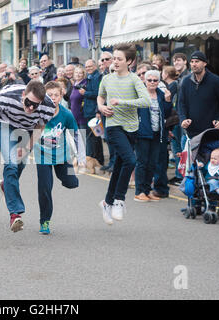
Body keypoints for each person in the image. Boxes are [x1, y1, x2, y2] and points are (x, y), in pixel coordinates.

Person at [0, 81, 56, 233]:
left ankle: (6, 185)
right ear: (23, 95)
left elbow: (40, 128)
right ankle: (15, 213)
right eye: (29, 103)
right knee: (11, 163)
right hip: (5, 124)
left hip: (28, 129)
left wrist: (26, 148)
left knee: (19, 165)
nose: (31, 108)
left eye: (35, 105)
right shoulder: (5, 96)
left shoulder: (48, 106)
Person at [97, 43, 151, 224]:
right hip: (113, 125)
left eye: (119, 59)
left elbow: (146, 101)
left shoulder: (134, 79)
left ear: (129, 61)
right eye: (114, 58)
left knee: (120, 166)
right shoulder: (107, 79)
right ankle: (119, 200)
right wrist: (101, 107)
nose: (115, 61)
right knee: (130, 160)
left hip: (132, 128)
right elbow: (100, 96)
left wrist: (122, 102)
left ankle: (107, 202)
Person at [33, 81, 86, 234]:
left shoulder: (66, 114)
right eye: (50, 95)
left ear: (61, 96)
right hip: (42, 156)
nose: (53, 98)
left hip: (62, 157)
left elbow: (76, 135)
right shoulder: (37, 113)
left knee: (72, 183)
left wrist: (81, 156)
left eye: (56, 95)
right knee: (45, 189)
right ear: (44, 97)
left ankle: (64, 177)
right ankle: (45, 222)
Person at [134, 70, 172, 202]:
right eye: (149, 80)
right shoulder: (139, 94)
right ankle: (139, 191)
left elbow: (167, 114)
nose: (152, 82)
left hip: (158, 134)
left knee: (152, 164)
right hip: (143, 133)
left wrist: (168, 101)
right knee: (142, 163)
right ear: (144, 80)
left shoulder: (161, 94)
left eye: (155, 80)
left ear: (159, 81)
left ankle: (147, 190)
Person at [179, 51, 219, 139]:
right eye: (192, 61)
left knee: (216, 153)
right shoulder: (186, 81)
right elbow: (181, 104)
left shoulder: (216, 81)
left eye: (197, 61)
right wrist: (183, 119)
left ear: (205, 63)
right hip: (191, 134)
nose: (194, 64)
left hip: (211, 133)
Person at [81, 59, 104, 166]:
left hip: (93, 112)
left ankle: (97, 159)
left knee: (95, 138)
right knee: (92, 138)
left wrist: (85, 93)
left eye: (90, 66)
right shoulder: (90, 77)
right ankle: (94, 158)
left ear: (95, 66)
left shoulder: (97, 77)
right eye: (86, 67)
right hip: (88, 111)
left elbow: (97, 93)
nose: (88, 68)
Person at [69, 66, 88, 132]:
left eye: (80, 73)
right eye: (76, 72)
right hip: (74, 115)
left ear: (83, 74)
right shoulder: (74, 85)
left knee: (83, 139)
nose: (78, 74)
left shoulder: (85, 84)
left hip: (82, 116)